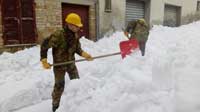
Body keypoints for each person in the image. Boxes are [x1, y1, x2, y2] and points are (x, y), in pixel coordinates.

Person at [40, 13, 93, 112]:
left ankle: (78, 104)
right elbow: (44, 45)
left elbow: (77, 49)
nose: (78, 28)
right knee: (59, 86)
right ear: (70, 25)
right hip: (59, 66)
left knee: (77, 82)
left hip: (71, 64)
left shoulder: (75, 35)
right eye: (77, 26)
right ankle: (55, 106)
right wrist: (44, 60)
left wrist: (85, 54)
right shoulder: (58, 35)